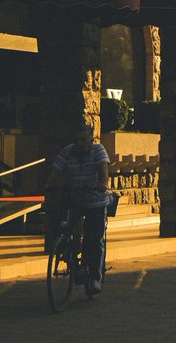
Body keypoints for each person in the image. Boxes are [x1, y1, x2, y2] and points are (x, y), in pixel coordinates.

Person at [45, 122, 111, 294]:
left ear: (91, 138)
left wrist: (102, 184)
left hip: (95, 200)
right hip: (75, 199)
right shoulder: (68, 152)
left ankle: (95, 277)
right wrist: (49, 186)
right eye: (77, 140)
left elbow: (103, 170)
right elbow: (56, 171)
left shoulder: (98, 150)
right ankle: (70, 257)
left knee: (94, 239)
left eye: (84, 139)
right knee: (63, 227)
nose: (81, 144)